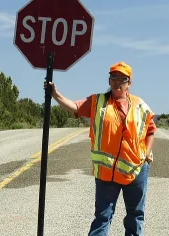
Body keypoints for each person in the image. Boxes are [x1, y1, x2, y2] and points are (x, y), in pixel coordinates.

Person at [44, 61, 157, 236]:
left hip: (136, 169)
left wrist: (147, 154)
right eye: (114, 77)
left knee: (135, 216)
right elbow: (75, 107)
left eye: (122, 78)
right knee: (102, 218)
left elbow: (151, 130)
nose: (118, 81)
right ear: (109, 80)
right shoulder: (97, 102)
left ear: (129, 83)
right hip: (107, 172)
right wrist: (56, 95)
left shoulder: (139, 104)